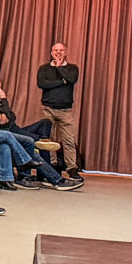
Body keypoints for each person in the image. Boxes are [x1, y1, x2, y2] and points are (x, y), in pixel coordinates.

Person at [36, 41, 83, 177]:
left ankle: (72, 169)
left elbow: (71, 79)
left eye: (61, 50)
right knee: (48, 140)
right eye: (55, 50)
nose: (58, 53)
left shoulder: (72, 68)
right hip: (47, 108)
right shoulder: (44, 68)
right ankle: (52, 166)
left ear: (65, 52)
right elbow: (42, 83)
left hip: (65, 110)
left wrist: (59, 67)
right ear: (51, 53)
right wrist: (62, 82)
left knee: (68, 140)